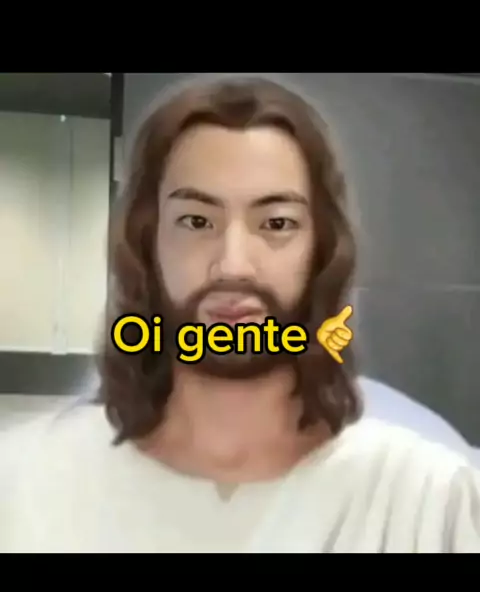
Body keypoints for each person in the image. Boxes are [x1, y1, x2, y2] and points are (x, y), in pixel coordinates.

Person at [1, 76, 479, 553]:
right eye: (196, 221)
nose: (232, 264)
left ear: (321, 250)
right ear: (148, 244)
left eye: (276, 223)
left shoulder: (426, 502)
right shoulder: (24, 485)